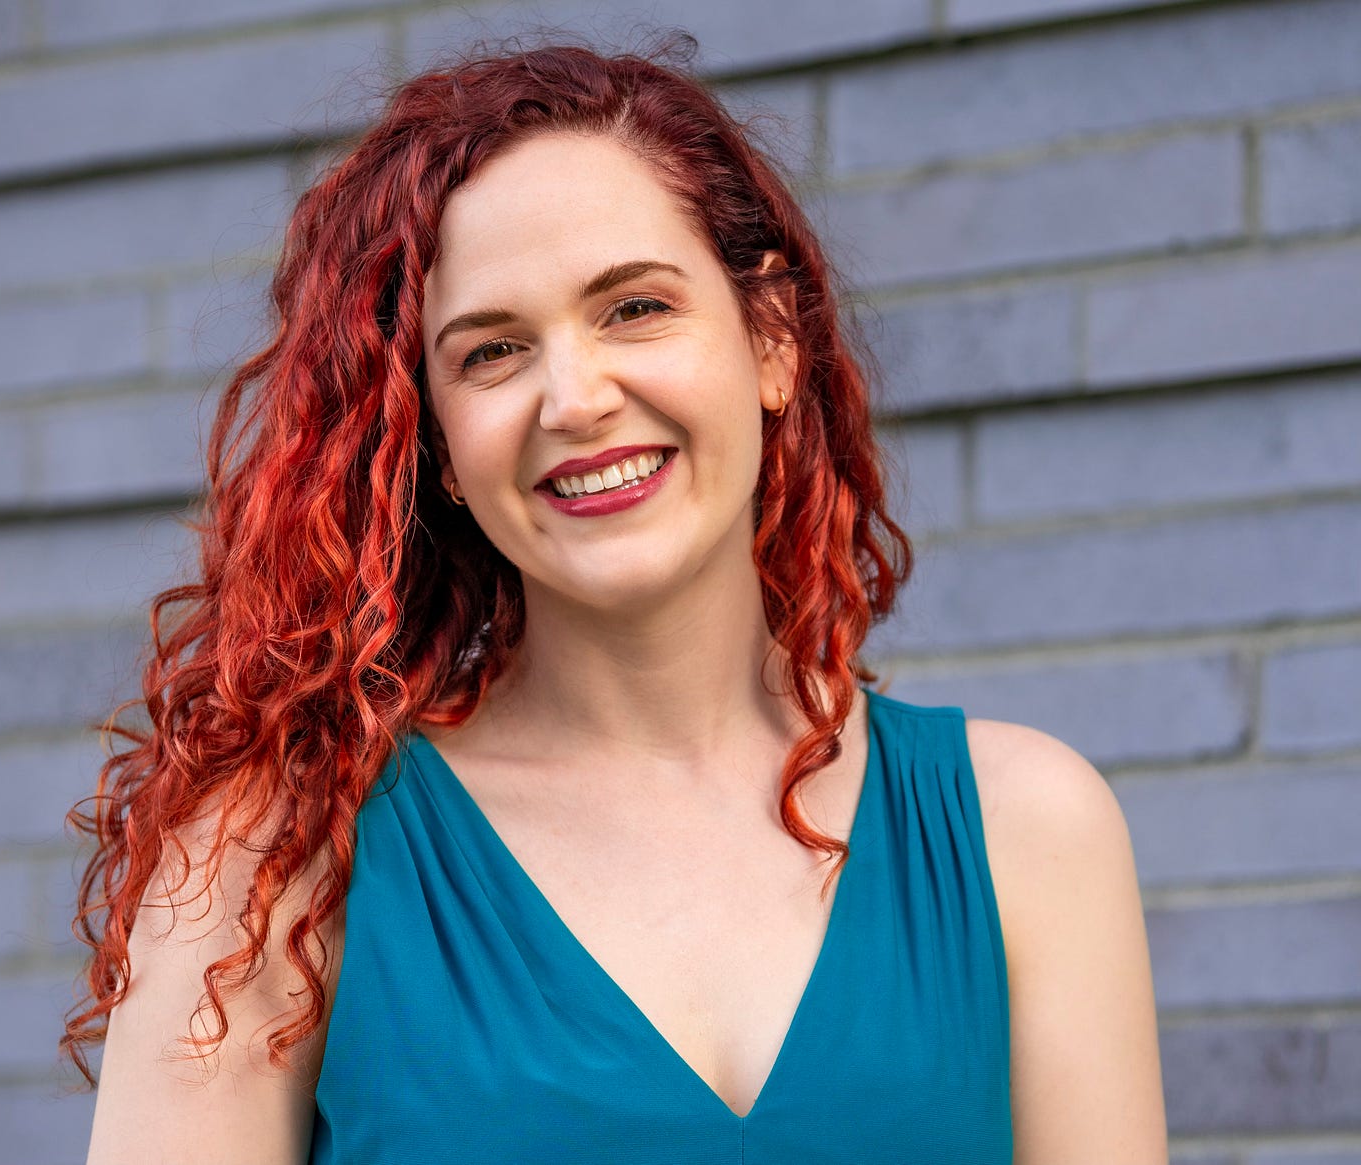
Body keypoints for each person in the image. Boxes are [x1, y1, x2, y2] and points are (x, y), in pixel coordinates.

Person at [65, 37, 1168, 1164]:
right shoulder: (274, 862)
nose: (576, 398)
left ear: (771, 337)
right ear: (437, 444)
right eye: (492, 351)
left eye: (634, 308)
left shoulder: (1025, 831)